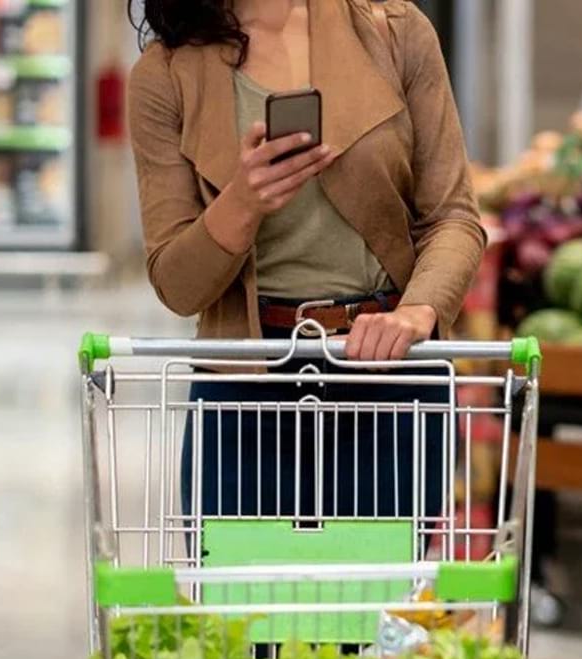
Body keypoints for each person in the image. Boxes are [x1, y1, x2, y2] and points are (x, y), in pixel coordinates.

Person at [127, 0, 485, 529]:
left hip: (386, 374)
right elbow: (177, 285)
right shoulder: (164, 75)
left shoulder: (394, 32)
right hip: (242, 391)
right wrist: (242, 202)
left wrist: (417, 311)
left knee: (379, 605)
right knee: (242, 607)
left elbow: (454, 217)